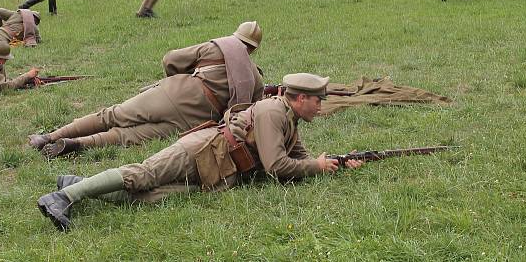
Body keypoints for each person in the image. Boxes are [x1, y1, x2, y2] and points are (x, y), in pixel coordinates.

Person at [37, 73, 364, 231]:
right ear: (299, 98)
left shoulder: (289, 120)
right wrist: (316, 167)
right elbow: (278, 166)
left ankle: (76, 184)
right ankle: (62, 198)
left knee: (152, 195)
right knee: (143, 175)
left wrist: (332, 161)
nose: (321, 106)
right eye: (317, 99)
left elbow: (296, 159)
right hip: (200, 151)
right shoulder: (272, 113)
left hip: (219, 169)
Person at [29, 21, 264, 158]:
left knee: (113, 115)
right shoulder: (255, 78)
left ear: (236, 37)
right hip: (197, 120)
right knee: (127, 136)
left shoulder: (217, 48)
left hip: (173, 94)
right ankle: (77, 145)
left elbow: (170, 60)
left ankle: (49, 137)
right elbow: (247, 113)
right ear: (252, 49)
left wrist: (178, 81)